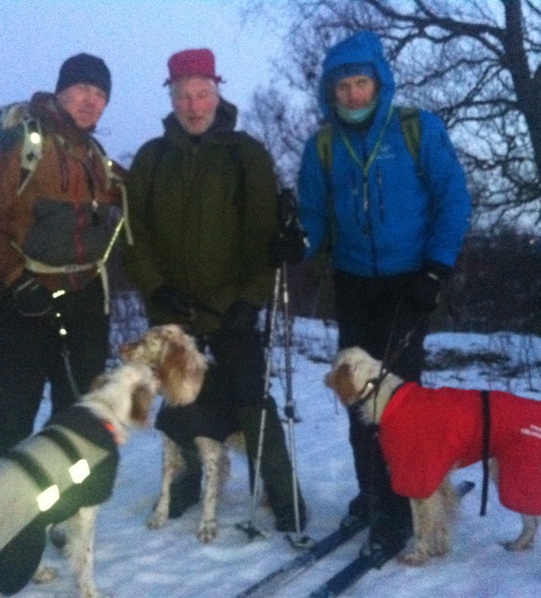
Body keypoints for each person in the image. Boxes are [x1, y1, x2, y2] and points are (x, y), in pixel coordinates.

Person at [294, 31, 472, 552]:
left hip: (409, 281)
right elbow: (313, 220)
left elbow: (453, 200)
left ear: (379, 82)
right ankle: (372, 490)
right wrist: (293, 242)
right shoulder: (323, 146)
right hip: (353, 284)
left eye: (360, 83)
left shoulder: (417, 130)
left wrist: (436, 270)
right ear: (331, 91)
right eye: (342, 86)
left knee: (401, 402)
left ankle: (403, 497)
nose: (352, 95)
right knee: (357, 394)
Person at [124, 48, 305, 532]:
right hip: (174, 310)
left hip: (233, 308)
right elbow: (134, 233)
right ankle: (184, 486)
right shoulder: (151, 158)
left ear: (217, 92)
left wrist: (249, 298)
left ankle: (283, 494)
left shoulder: (246, 153)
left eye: (202, 93)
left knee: (251, 394)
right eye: (183, 95)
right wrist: (156, 290)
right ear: (171, 97)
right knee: (182, 401)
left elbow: (263, 236)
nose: (193, 104)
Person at [0, 53, 126, 468]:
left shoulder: (96, 158)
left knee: (78, 416)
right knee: (7, 420)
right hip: (24, 303)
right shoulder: (19, 143)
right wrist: (18, 281)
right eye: (82, 89)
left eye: (100, 93)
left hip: (85, 303)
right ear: (61, 90)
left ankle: (63, 514)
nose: (91, 100)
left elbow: (142, 196)